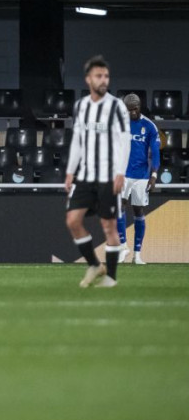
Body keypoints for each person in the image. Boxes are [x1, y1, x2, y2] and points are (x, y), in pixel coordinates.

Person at [65, 55, 130, 288]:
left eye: (106, 76)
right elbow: (78, 141)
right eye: (98, 76)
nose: (104, 80)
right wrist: (70, 171)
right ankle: (94, 264)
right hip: (86, 176)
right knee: (73, 220)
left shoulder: (116, 106)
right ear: (88, 79)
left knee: (108, 226)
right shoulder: (81, 106)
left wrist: (120, 172)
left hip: (108, 176)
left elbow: (125, 140)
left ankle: (111, 277)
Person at [116, 93, 160, 265]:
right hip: (123, 174)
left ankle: (137, 254)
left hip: (141, 175)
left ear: (139, 108)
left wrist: (154, 174)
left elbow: (155, 152)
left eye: (134, 109)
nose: (132, 113)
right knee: (119, 206)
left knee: (138, 211)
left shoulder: (149, 126)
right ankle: (122, 246)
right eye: (128, 110)